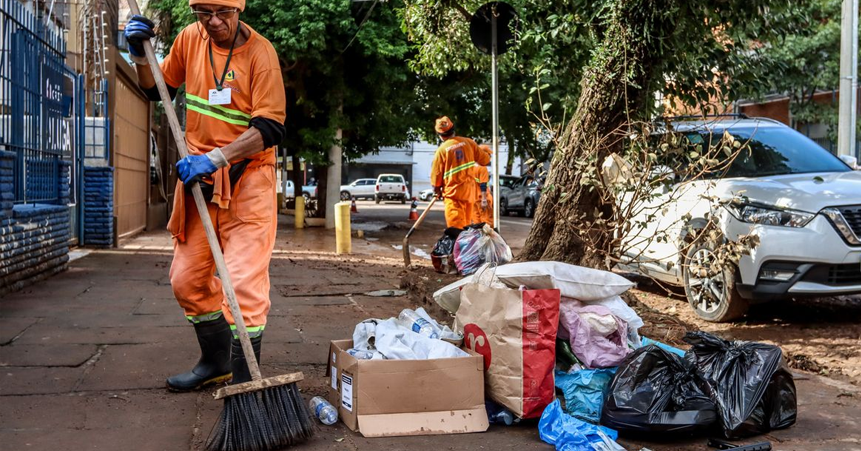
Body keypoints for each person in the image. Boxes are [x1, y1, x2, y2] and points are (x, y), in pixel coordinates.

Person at [124, 0, 286, 390]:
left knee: (243, 286)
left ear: (238, 10)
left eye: (222, 13)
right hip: (202, 184)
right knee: (186, 281)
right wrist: (140, 55)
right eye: (203, 13)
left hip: (248, 181)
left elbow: (269, 128)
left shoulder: (261, 55)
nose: (213, 22)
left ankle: (245, 386)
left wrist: (214, 158)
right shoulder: (189, 39)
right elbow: (156, 90)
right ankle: (217, 362)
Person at [430, 117, 491, 229]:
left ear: (440, 135)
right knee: (466, 229)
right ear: (454, 130)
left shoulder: (442, 150)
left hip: (453, 196)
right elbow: (485, 160)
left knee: (456, 230)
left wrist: (436, 189)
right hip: (469, 195)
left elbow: (436, 174)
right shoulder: (469, 143)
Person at [472, 145, 494, 227]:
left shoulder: (471, 167)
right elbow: (483, 185)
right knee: (487, 223)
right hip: (482, 199)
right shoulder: (482, 168)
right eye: (489, 155)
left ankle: (480, 235)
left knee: (477, 223)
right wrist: (484, 199)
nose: (490, 157)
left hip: (473, 200)